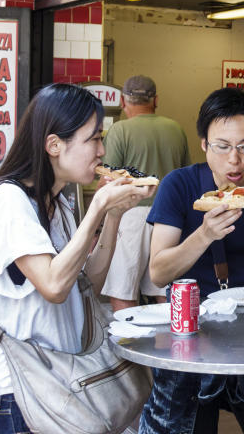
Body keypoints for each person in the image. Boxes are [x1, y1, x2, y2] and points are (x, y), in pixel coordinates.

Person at [0, 83, 155, 433]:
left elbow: (86, 286)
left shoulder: (59, 204)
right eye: (93, 139)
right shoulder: (9, 201)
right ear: (54, 145)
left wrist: (112, 216)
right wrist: (98, 206)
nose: (102, 151)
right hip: (19, 392)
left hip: (61, 382)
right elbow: (53, 285)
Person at [140, 87, 244, 434]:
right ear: (204, 144)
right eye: (222, 147)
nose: (234, 161)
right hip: (190, 329)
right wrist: (204, 235)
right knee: (184, 425)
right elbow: (159, 271)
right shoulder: (178, 185)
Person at [101, 75, 190, 313]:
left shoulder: (119, 130)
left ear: (123, 101)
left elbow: (107, 180)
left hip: (130, 216)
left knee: (123, 290)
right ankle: (170, 347)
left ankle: (127, 347)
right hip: (170, 219)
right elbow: (184, 177)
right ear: (156, 100)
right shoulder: (176, 129)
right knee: (164, 292)